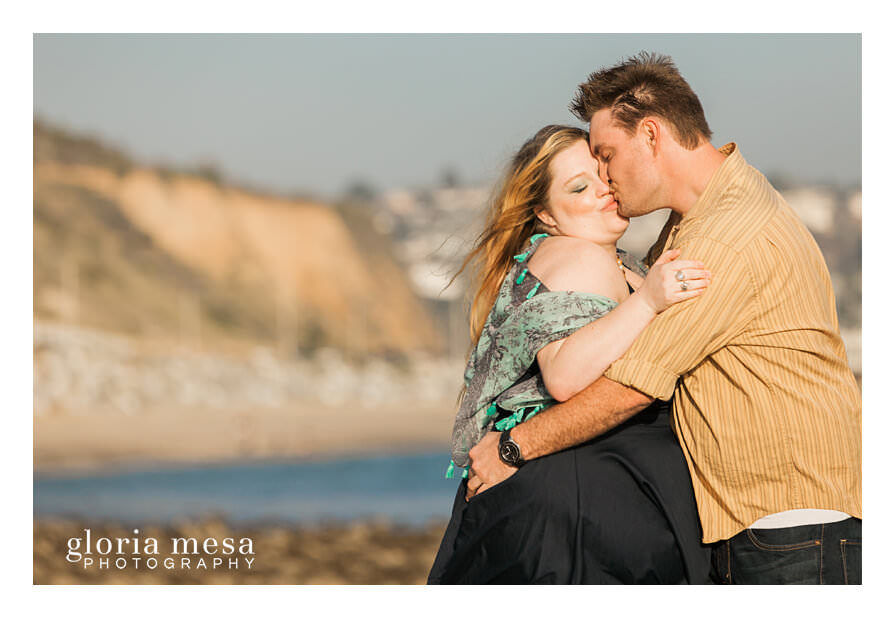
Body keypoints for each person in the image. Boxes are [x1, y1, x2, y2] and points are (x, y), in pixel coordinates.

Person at [465, 52, 862, 585]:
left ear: (650, 135)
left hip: (789, 522)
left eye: (606, 154)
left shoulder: (724, 238)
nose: (603, 175)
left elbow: (634, 385)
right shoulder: (701, 216)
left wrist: (514, 447)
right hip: (770, 518)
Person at [427, 125, 713, 584]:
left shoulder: (579, 257)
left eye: (603, 173)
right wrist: (647, 302)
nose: (602, 190)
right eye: (579, 188)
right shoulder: (584, 257)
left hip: (554, 503)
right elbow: (563, 374)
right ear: (545, 214)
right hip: (578, 515)